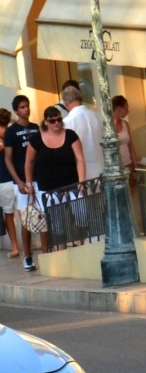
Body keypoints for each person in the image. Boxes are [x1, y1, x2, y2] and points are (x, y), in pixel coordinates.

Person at [23, 106, 86, 262]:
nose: (57, 123)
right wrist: (28, 183)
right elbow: (29, 162)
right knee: (58, 225)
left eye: (59, 120)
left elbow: (79, 158)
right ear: (46, 122)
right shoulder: (37, 140)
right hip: (49, 188)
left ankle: (81, 250)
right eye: (52, 121)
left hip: (71, 184)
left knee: (80, 218)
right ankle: (62, 257)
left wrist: (81, 181)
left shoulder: (70, 135)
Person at [5, 94, 40, 269]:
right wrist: (18, 181)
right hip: (21, 180)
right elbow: (8, 159)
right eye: (22, 107)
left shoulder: (36, 128)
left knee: (44, 216)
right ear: (16, 110)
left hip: (38, 178)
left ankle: (48, 251)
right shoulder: (11, 132)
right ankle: (28, 256)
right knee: (26, 219)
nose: (26, 109)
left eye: (27, 106)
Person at [61, 84, 104, 180]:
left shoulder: (67, 122)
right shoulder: (98, 117)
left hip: (82, 174)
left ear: (66, 102)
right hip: (101, 168)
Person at [0, 108, 17, 258]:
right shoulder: (12, 133)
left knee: (9, 214)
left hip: (4, 180)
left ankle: (15, 247)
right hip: (17, 178)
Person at [111, 95, 135, 182]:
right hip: (114, 167)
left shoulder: (125, 124)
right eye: (126, 108)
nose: (128, 111)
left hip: (127, 164)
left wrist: (135, 166)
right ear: (118, 108)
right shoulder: (108, 126)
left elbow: (130, 146)